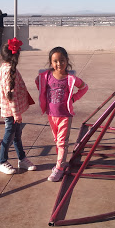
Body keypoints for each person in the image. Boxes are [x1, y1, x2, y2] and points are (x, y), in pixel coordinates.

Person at [35, 47, 88, 182]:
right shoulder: (46, 76)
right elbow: (38, 82)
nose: (59, 64)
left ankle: (58, 168)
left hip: (64, 115)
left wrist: (74, 98)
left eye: (62, 60)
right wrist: (43, 95)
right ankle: (61, 163)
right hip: (51, 114)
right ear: (51, 62)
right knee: (57, 141)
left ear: (67, 61)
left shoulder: (70, 78)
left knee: (62, 142)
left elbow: (84, 87)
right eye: (55, 61)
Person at [0, 37, 36, 174]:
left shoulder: (6, 69)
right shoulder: (7, 71)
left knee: (17, 135)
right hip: (11, 112)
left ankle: (22, 158)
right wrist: (16, 114)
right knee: (9, 135)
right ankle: (2, 161)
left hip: (13, 111)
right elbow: (10, 95)